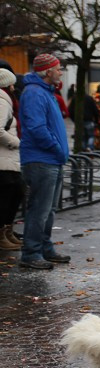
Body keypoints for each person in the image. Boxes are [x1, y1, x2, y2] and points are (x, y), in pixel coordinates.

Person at [17, 54, 70, 269]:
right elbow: (37, 128)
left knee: (49, 209)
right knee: (40, 209)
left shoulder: (45, 92)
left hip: (51, 159)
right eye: (58, 69)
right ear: (48, 72)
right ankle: (31, 252)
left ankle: (44, 247)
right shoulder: (34, 93)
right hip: (41, 159)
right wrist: (56, 148)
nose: (60, 72)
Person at [0, 68, 23, 251]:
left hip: (7, 158)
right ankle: (2, 235)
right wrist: (16, 142)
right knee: (8, 196)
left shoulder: (5, 100)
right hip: (4, 158)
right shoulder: (3, 101)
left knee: (14, 194)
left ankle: (7, 232)